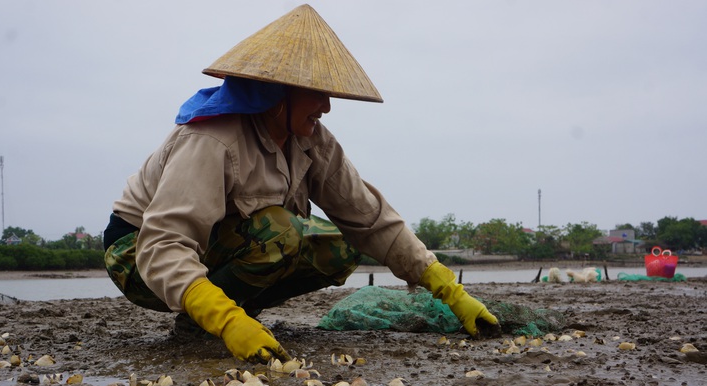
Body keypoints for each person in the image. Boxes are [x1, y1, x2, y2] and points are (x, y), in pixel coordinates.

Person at [103, 4, 499, 364]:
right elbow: (163, 245)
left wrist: (448, 289)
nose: (326, 107)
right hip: (137, 253)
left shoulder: (313, 142)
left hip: (215, 247)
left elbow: (370, 219)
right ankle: (206, 318)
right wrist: (223, 320)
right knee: (281, 231)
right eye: (317, 94)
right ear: (276, 94)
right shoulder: (213, 139)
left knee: (339, 244)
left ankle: (235, 309)